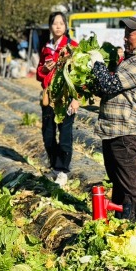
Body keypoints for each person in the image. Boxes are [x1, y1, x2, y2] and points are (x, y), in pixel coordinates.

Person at [88, 12, 136, 226]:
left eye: (130, 33)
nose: (125, 36)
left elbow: (110, 85)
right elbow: (109, 90)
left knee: (134, 186)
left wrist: (98, 65)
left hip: (126, 133)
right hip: (113, 130)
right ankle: (123, 223)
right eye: (125, 31)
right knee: (120, 185)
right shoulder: (130, 61)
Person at [36, 11, 79, 187]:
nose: (58, 26)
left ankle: (63, 170)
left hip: (66, 98)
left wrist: (76, 98)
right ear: (50, 26)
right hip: (49, 97)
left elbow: (79, 75)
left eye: (62, 23)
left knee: (65, 135)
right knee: (48, 135)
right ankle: (54, 167)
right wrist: (45, 69)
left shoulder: (72, 47)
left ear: (66, 26)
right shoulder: (46, 48)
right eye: (55, 23)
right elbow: (39, 74)